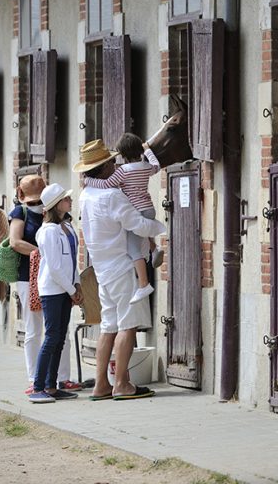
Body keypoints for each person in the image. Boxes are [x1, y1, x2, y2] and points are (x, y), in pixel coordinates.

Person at [74, 139, 165, 401]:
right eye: (112, 162)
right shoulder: (112, 196)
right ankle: (122, 384)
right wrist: (160, 229)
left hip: (102, 267)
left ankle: (102, 383)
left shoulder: (86, 194)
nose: (116, 165)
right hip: (122, 266)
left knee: (108, 326)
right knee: (128, 326)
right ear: (103, 168)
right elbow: (136, 223)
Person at [8, 175, 79, 395]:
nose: (37, 205)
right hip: (30, 276)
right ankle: (35, 380)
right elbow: (15, 242)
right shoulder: (21, 213)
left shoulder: (62, 222)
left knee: (58, 333)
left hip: (58, 280)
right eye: (32, 202)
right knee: (36, 330)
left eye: (40, 201)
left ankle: (59, 379)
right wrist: (44, 254)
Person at [82, 133, 164, 305]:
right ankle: (154, 248)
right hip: (149, 208)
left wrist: (88, 180)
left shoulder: (123, 171)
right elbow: (157, 166)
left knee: (133, 249)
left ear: (123, 155)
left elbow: (105, 184)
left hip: (136, 210)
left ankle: (144, 283)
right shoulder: (146, 167)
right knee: (141, 236)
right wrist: (148, 151)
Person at [28, 183, 83, 404]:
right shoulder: (46, 232)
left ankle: (51, 386)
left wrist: (77, 284)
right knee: (51, 337)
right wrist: (71, 290)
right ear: (57, 204)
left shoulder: (68, 228)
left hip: (67, 289)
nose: (70, 201)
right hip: (52, 290)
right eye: (66, 199)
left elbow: (72, 259)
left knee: (60, 338)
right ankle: (38, 387)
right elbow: (54, 266)